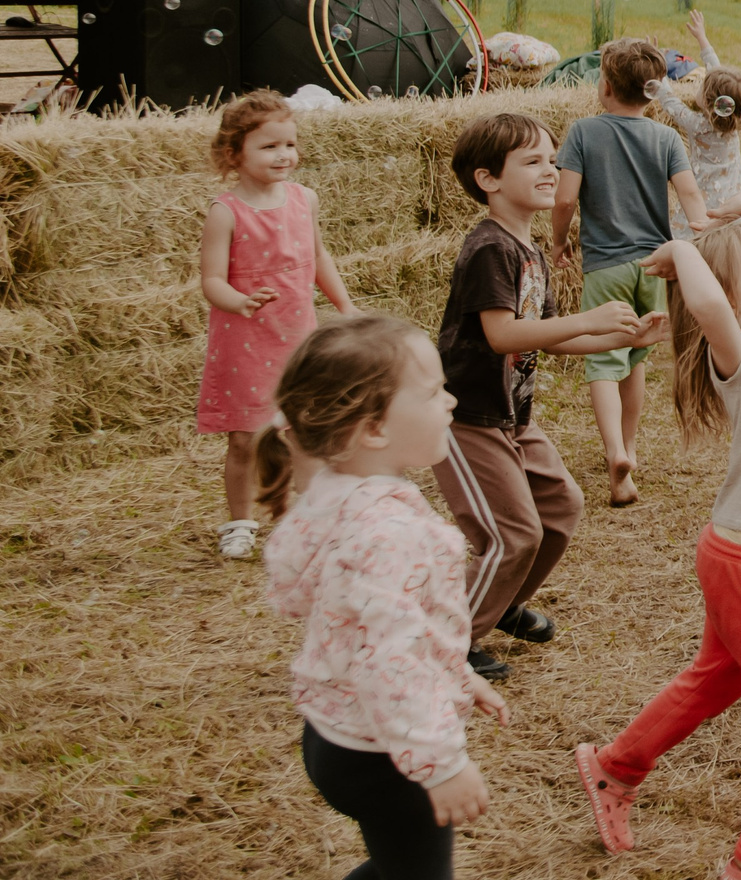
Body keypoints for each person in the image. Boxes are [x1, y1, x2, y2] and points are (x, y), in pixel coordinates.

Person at [574, 193, 741, 880]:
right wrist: (688, 251)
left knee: (716, 680)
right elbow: (710, 308)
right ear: (727, 297)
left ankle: (614, 768)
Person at [257, 314, 511, 880]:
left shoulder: (336, 493)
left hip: (335, 733)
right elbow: (386, 659)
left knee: (399, 866)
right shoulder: (386, 534)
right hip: (385, 755)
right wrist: (440, 765)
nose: (449, 402)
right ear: (373, 429)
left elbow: (371, 622)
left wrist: (454, 674)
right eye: (432, 392)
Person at [434, 113, 666, 681]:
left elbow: (555, 336)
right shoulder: (490, 247)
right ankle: (447, 642)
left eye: (552, 158)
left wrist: (623, 336)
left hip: (513, 417)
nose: (551, 169)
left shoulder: (530, 252)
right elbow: (502, 335)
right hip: (468, 419)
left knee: (560, 507)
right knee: (512, 532)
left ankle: (501, 602)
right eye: (533, 161)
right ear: (488, 179)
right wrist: (591, 318)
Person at [553, 37, 712, 507]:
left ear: (604, 86)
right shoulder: (666, 138)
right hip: (655, 266)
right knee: (636, 358)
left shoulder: (583, 131)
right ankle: (632, 448)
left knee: (604, 360)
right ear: (653, 90)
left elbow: (564, 199)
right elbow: (692, 198)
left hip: (605, 266)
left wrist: (560, 240)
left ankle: (615, 455)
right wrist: (699, 242)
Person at [198, 90, 357, 560]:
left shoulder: (303, 199)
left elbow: (318, 256)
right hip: (245, 340)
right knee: (247, 436)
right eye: (269, 146)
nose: (284, 155)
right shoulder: (226, 212)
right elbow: (211, 279)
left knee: (302, 430)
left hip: (297, 338)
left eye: (289, 144)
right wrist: (242, 301)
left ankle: (302, 518)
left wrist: (345, 306)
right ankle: (240, 521)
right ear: (234, 153)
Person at [661, 10, 741, 239]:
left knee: (696, 245)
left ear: (710, 103)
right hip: (734, 207)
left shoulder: (696, 124)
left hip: (703, 208)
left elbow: (668, 101)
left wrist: (659, 71)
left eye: (702, 86)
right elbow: (718, 72)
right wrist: (702, 38)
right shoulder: (733, 122)